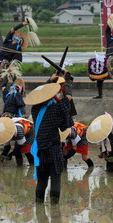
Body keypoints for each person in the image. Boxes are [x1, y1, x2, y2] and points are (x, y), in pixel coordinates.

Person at [29, 71, 74, 204]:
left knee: (42, 180)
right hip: (53, 149)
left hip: (40, 150)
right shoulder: (56, 109)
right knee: (55, 177)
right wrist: (67, 82)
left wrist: (50, 81)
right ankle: (55, 210)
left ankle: (39, 206)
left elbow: (41, 94)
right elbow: (68, 98)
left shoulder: (35, 109)